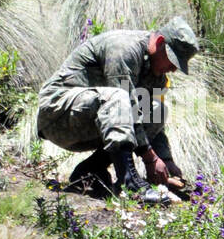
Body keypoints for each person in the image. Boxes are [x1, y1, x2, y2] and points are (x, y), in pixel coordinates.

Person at [36, 18, 198, 196]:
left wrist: (166, 161)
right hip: (58, 117)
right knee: (119, 97)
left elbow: (148, 121)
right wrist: (150, 159)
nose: (174, 69)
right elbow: (124, 103)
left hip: (91, 119)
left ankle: (89, 170)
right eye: (172, 60)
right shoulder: (123, 49)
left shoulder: (156, 74)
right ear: (159, 43)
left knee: (155, 110)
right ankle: (130, 181)